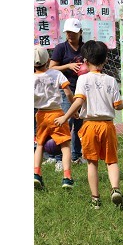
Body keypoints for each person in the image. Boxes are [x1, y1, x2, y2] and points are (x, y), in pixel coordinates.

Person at [54, 40, 123, 210]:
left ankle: (95, 199)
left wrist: (65, 117)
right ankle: (115, 189)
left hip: (89, 126)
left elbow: (79, 101)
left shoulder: (83, 79)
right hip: (107, 125)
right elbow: (117, 105)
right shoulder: (111, 80)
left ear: (85, 61)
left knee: (92, 163)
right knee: (112, 161)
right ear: (106, 60)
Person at [33, 45, 75, 190]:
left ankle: (36, 174)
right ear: (48, 60)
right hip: (57, 113)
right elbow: (68, 92)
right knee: (65, 145)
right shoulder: (56, 74)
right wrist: (73, 108)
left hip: (41, 115)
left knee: (40, 144)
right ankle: (67, 177)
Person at [49, 18, 87, 166]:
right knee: (65, 122)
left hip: (82, 91)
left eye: (73, 32)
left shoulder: (85, 48)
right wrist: (68, 66)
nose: (70, 35)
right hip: (66, 90)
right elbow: (51, 68)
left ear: (80, 32)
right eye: (68, 32)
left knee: (79, 123)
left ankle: (76, 156)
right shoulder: (61, 48)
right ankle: (59, 157)